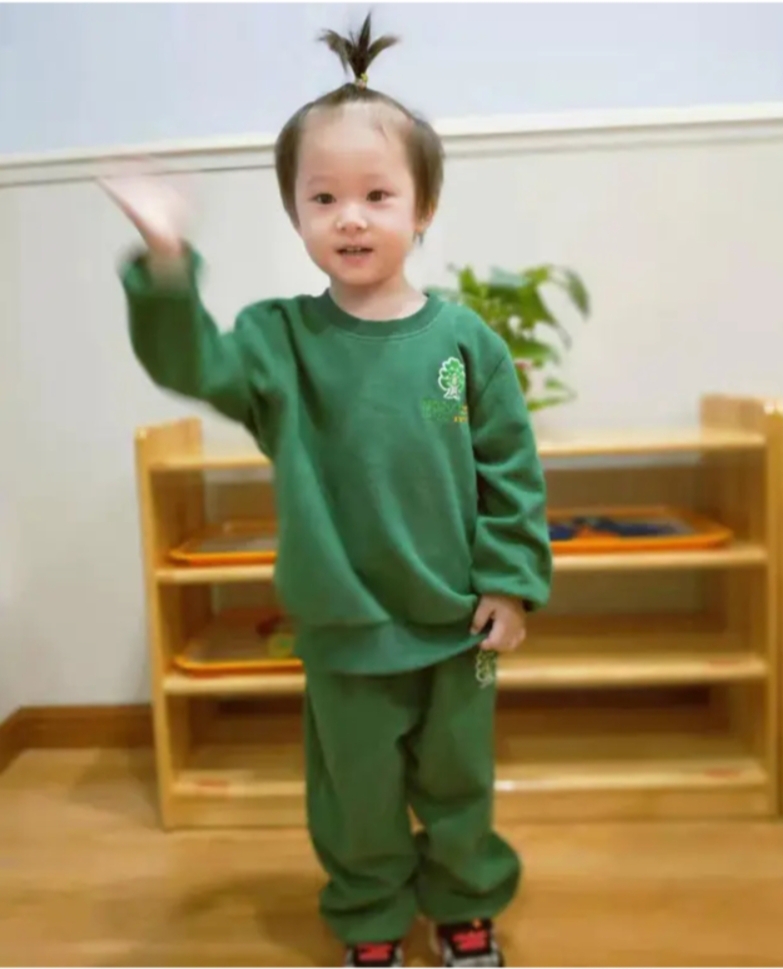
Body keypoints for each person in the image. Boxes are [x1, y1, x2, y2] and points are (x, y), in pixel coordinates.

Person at [103, 13, 552, 968]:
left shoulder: (465, 342)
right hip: (347, 630)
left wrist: (510, 583)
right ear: (297, 214)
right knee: (354, 796)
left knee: (458, 783)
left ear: (422, 208)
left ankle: (465, 906)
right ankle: (371, 917)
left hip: (456, 627)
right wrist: (167, 261)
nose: (350, 216)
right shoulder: (278, 341)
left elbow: (510, 470)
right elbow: (192, 362)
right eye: (323, 197)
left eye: (376, 194)